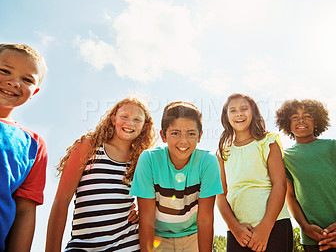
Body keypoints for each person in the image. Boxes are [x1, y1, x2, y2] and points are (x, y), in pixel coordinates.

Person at [46, 97, 156, 252]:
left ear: (144, 127)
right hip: (82, 245)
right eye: (124, 116)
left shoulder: (141, 160)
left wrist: (138, 208)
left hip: (126, 244)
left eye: (137, 119)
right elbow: (62, 200)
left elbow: (150, 210)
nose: (130, 123)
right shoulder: (89, 147)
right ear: (113, 119)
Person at [275, 99, 336, 252]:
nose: (301, 119)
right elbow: (290, 196)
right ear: (287, 124)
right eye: (294, 117)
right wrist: (305, 227)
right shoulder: (284, 158)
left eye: (307, 115)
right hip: (314, 238)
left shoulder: (335, 146)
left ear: (316, 122)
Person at [131, 101, 223, 252]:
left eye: (191, 134)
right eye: (175, 133)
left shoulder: (207, 162)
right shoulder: (149, 160)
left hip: (193, 236)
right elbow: (147, 219)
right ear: (163, 135)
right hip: (159, 238)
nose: (183, 141)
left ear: (200, 136)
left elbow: (205, 219)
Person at [217, 93, 293, 252]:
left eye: (244, 109)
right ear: (226, 116)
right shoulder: (222, 152)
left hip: (274, 224)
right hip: (239, 232)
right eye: (233, 110)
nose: (239, 113)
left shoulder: (268, 142)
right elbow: (221, 195)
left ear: (253, 113)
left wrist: (265, 226)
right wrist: (235, 227)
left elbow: (279, 184)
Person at [0, 43, 48, 252]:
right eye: (4, 71)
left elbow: (25, 211)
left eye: (27, 79)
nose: (13, 82)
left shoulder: (33, 144)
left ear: (35, 91)